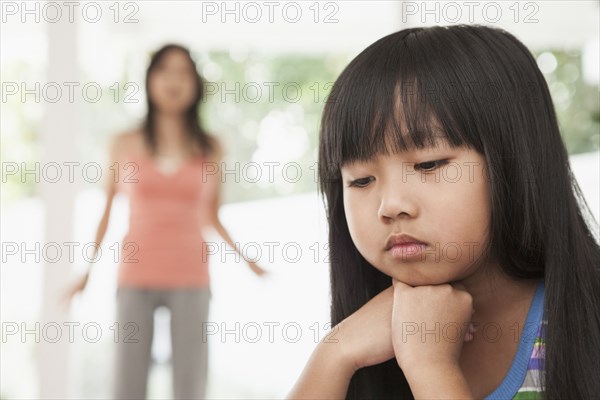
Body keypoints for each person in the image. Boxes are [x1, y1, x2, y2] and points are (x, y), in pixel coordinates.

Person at [288, 25, 600, 399]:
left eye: (429, 164)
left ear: (517, 161)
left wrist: (430, 367)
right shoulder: (368, 342)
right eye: (361, 180)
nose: (390, 206)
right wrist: (334, 355)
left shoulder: (586, 327)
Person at [67, 44, 266, 399]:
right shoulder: (123, 143)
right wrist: (86, 272)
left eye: (184, 72)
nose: (174, 80)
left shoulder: (212, 147)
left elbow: (212, 215)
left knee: (190, 387)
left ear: (195, 84)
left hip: (191, 275)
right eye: (165, 70)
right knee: (127, 386)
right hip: (135, 274)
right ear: (149, 80)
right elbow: (106, 211)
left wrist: (247, 260)